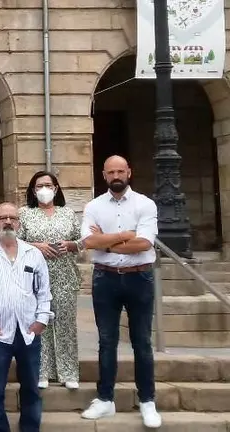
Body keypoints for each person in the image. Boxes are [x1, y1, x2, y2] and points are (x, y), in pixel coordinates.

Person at [79, 155, 161, 428]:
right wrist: (125, 235)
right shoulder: (94, 206)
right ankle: (105, 399)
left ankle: (147, 400)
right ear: (104, 175)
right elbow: (88, 241)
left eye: (120, 171)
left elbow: (144, 243)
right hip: (106, 278)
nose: (116, 176)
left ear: (129, 172)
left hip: (140, 277)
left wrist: (105, 242)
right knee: (106, 341)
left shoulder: (145, 204)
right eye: (111, 172)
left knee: (142, 341)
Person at [0, 202, 53, 432]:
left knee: (31, 387)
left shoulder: (33, 254)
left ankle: (30, 427)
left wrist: (41, 321)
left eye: (12, 218)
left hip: (28, 331)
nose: (7, 222)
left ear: (19, 223)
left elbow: (44, 292)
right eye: (2, 218)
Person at [18, 171, 82, 390]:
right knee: (39, 323)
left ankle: (68, 372)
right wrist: (37, 246)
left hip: (65, 276)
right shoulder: (25, 214)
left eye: (48, 185)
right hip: (34, 277)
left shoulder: (68, 213)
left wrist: (70, 245)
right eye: (39, 186)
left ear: (56, 188)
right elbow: (14, 242)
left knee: (66, 324)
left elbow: (81, 241)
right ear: (33, 190)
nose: (44, 189)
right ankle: (42, 371)